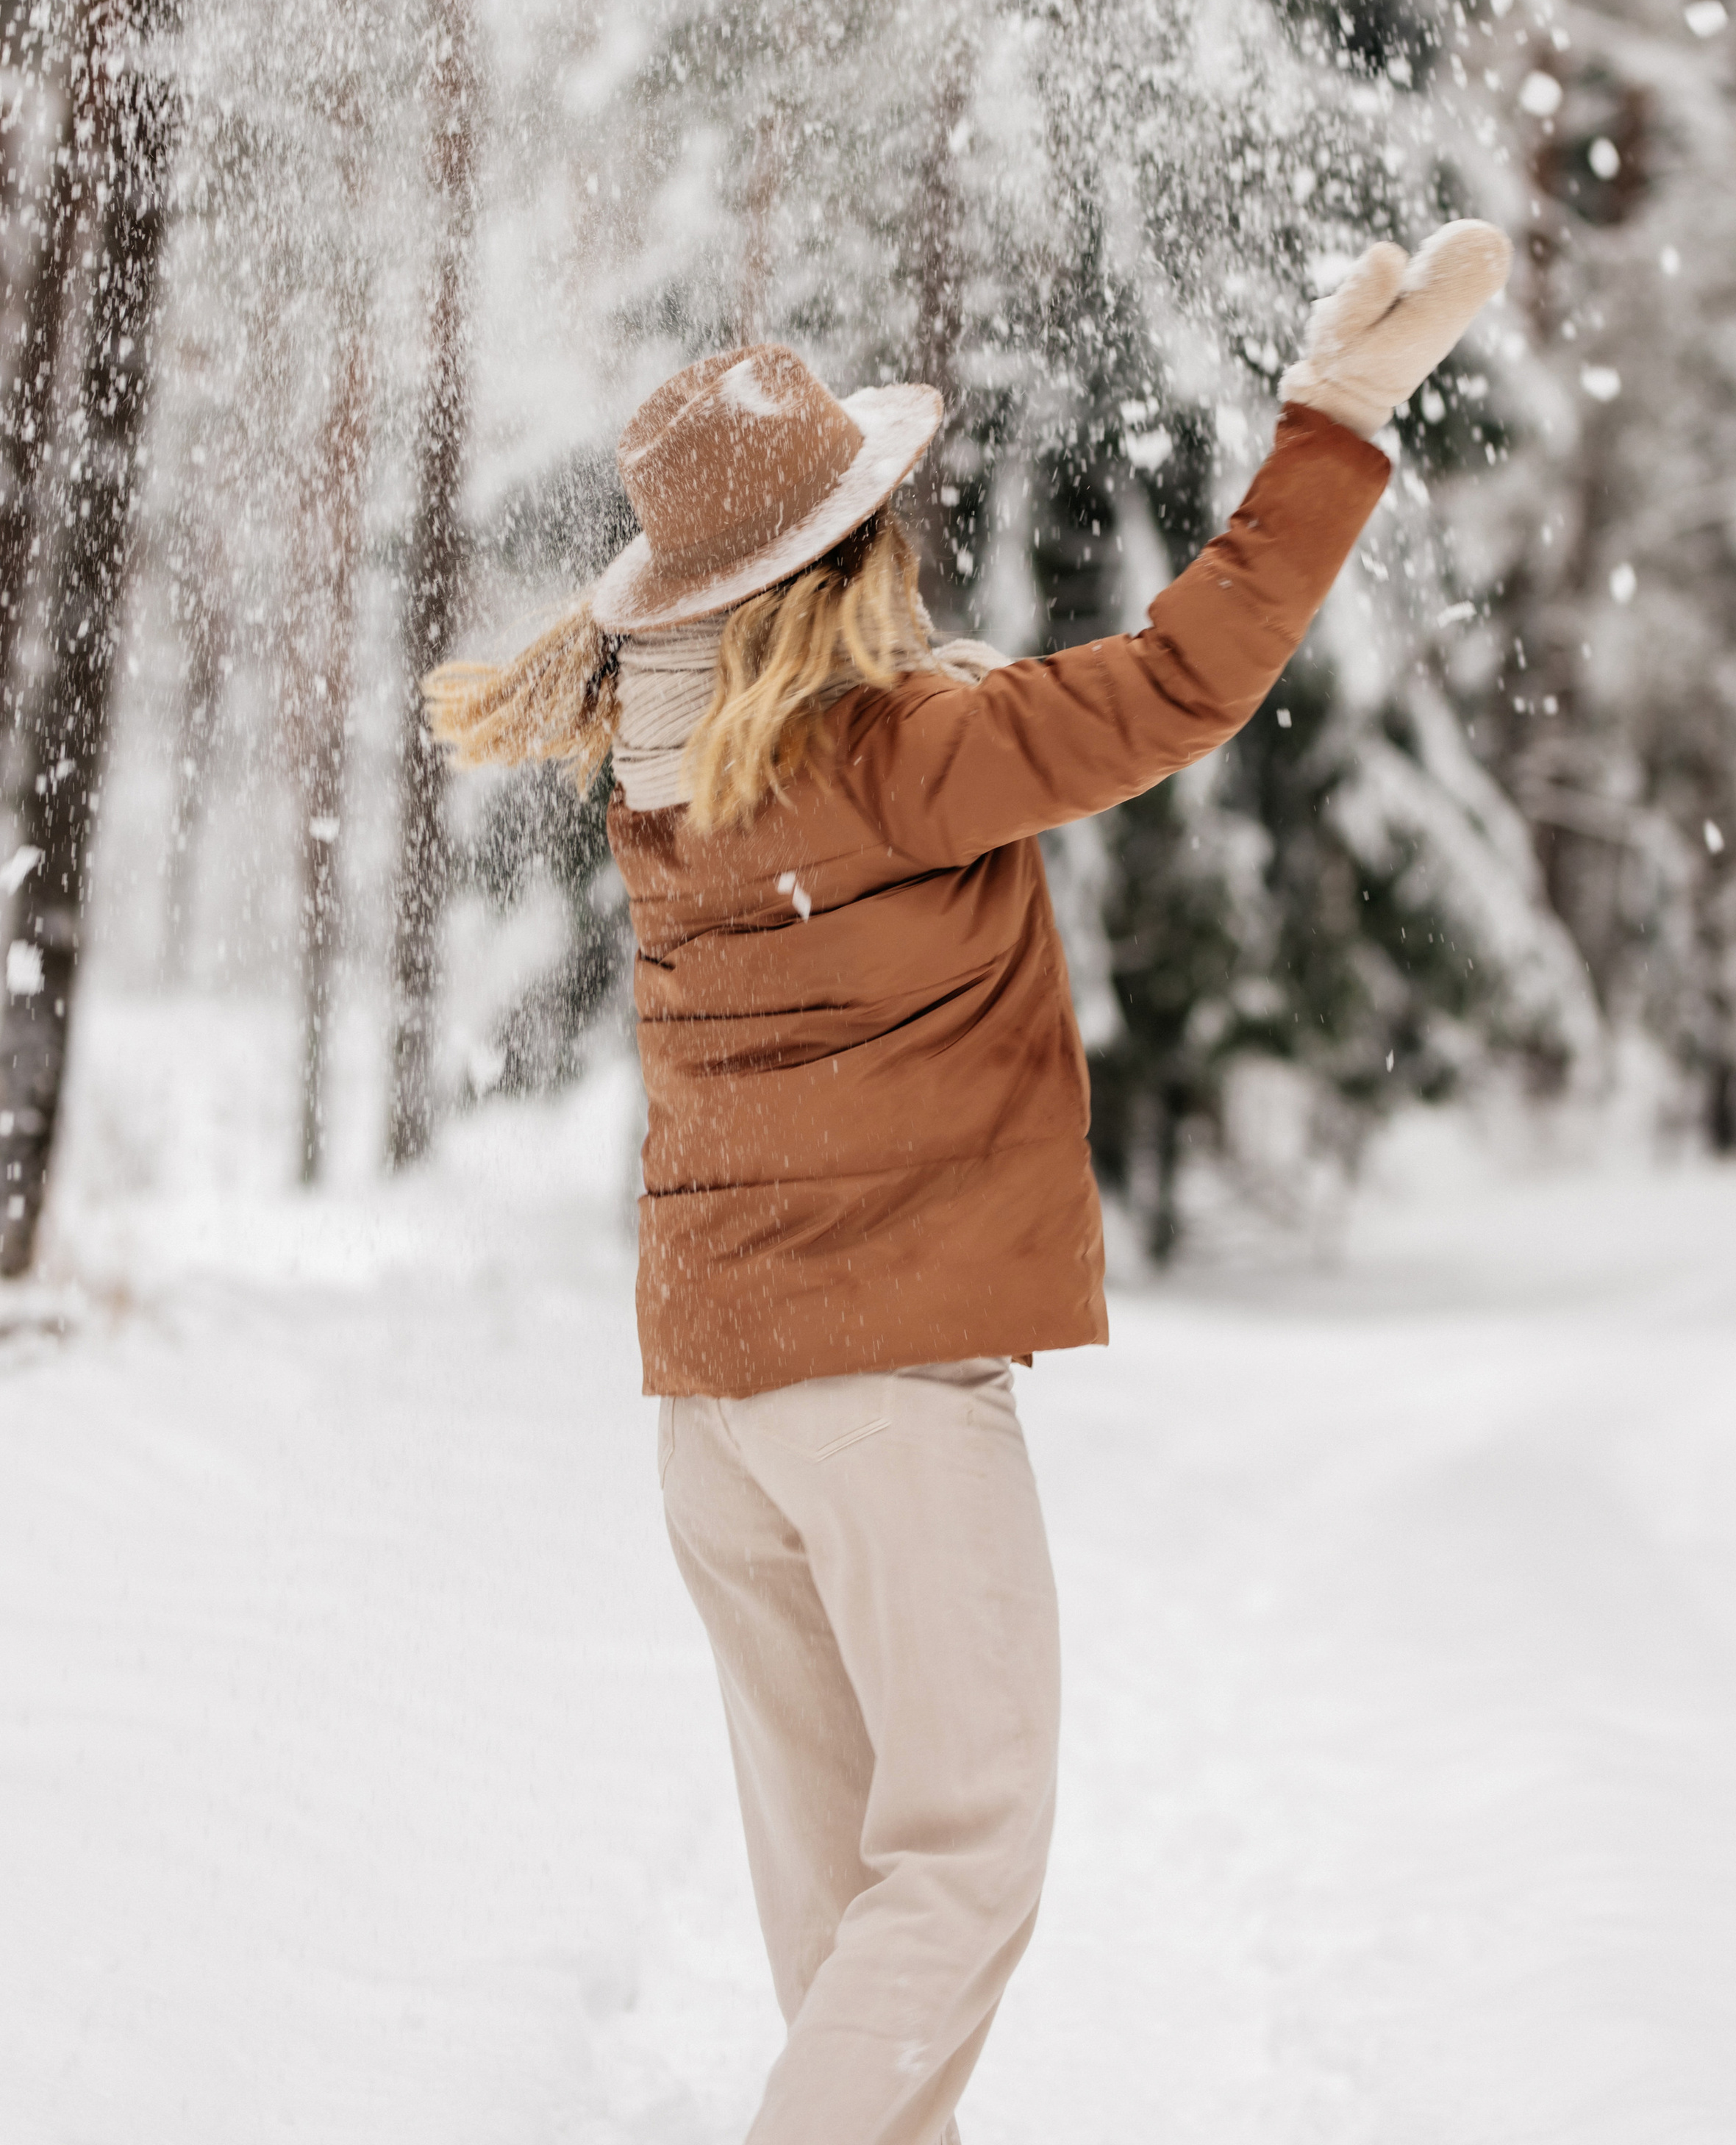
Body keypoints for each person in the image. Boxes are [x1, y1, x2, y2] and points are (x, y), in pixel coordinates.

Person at [427, 220, 1510, 2145]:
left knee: (846, 1909)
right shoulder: (897, 753)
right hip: (887, 1404)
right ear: (842, 558)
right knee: (962, 1866)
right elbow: (1184, 681)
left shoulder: (661, 795)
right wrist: (1334, 420)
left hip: (718, 1417)